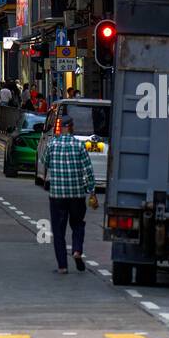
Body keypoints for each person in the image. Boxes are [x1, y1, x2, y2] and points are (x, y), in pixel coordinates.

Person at [41, 115, 98, 274]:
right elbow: (88, 170)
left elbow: (44, 161)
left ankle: (62, 266)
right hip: (77, 194)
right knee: (78, 224)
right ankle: (77, 250)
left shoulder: (52, 144)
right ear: (71, 127)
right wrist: (92, 191)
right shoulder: (79, 146)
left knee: (58, 231)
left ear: (61, 128)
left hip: (57, 195)